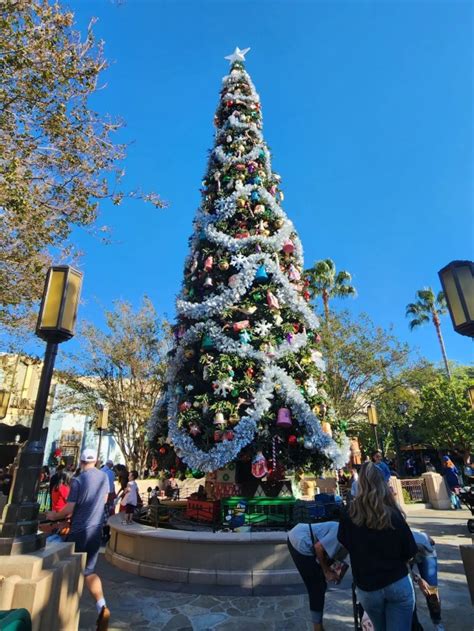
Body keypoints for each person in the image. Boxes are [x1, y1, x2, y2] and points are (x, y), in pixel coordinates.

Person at [337, 461, 418, 631]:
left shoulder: (349, 514)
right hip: (397, 582)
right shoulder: (393, 514)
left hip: (368, 588)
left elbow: (344, 542)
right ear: (383, 483)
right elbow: (410, 551)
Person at [46, 448, 110, 631]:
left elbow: (69, 508)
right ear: (96, 461)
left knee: (67, 568)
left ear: (81, 462)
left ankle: (63, 613)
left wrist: (53, 515)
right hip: (96, 531)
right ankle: (102, 607)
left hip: (79, 531)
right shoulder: (104, 478)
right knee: (89, 571)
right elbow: (105, 499)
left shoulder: (78, 480)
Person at [288, 521, 348, 631]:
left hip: (305, 539)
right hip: (300, 540)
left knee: (320, 585)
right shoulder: (340, 531)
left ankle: (318, 624)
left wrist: (334, 572)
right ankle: (317, 628)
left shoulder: (347, 536)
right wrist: (326, 571)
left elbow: (330, 556)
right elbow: (319, 547)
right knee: (316, 587)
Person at [410, 529, 445, 631]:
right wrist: (418, 579)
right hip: (409, 551)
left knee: (431, 590)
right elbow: (403, 570)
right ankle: (413, 624)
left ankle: (437, 621)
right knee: (408, 592)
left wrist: (424, 536)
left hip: (426, 551)